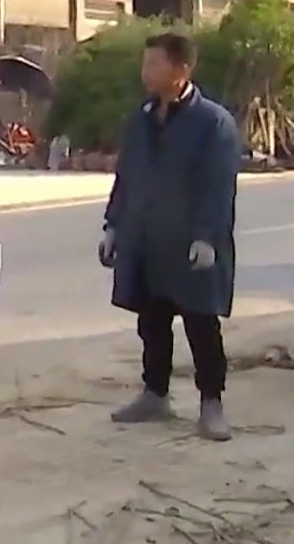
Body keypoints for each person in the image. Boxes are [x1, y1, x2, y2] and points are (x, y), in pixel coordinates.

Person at [99, 32, 240, 441]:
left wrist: (206, 238)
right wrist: (113, 226)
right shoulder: (141, 119)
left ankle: (211, 404)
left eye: (155, 64)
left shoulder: (212, 122)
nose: (146, 72)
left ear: (182, 69)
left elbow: (218, 185)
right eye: (145, 64)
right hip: (147, 239)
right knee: (152, 319)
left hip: (191, 241)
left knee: (200, 322)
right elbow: (126, 176)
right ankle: (154, 394)